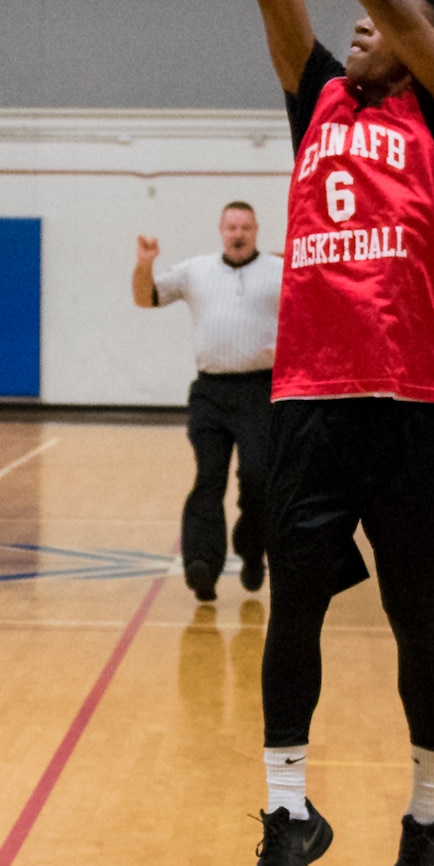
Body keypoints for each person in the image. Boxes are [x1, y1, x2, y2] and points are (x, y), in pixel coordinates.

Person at [164, 0, 434, 866]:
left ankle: (427, 813)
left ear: (423, 49)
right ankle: (287, 807)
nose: (356, 29)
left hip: (410, 403)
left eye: (381, 28)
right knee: (290, 603)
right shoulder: (319, 107)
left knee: (415, 613)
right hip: (308, 397)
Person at [132, 204, 281, 601]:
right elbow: (145, 298)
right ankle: (201, 564)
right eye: (232, 227)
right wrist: (145, 264)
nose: (239, 233)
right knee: (208, 477)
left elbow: (315, 316)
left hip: (260, 392)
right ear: (220, 229)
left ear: (256, 230)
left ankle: (252, 552)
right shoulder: (195, 270)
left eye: (246, 227)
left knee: (258, 478)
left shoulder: (278, 272)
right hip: (211, 393)